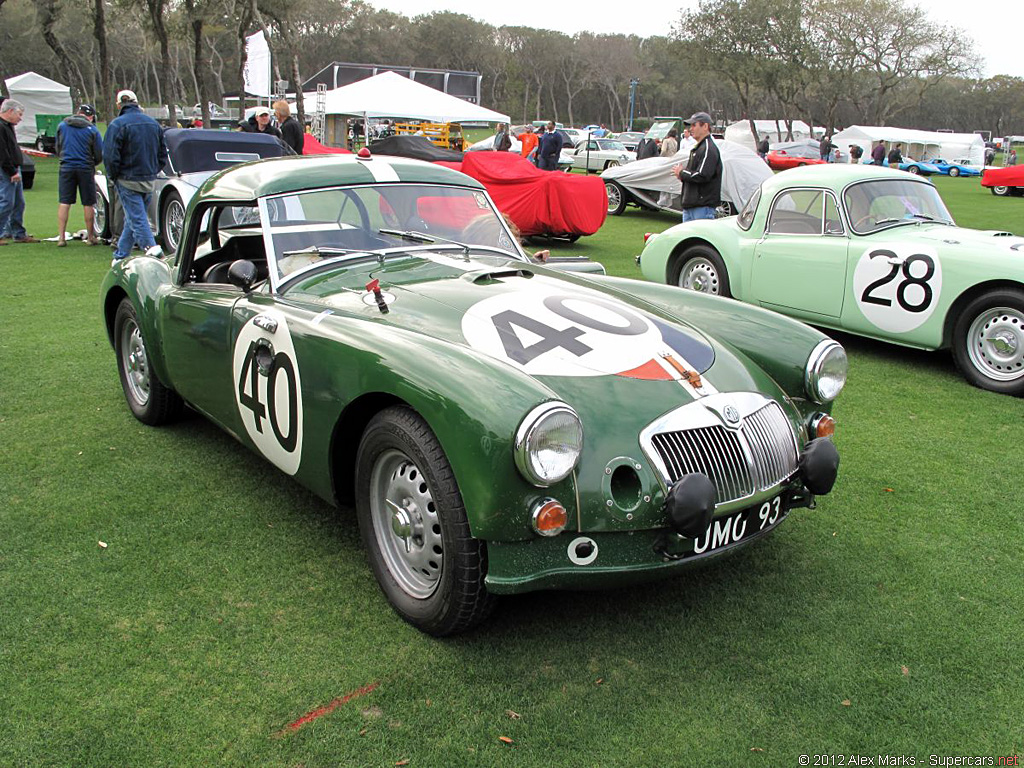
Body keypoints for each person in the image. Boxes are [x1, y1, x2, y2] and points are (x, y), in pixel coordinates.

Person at [103, 89, 167, 265]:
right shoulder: (154, 124)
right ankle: (120, 255)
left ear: (119, 105)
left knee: (137, 218)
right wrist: (153, 170)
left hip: (126, 178)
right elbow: (162, 155)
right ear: (136, 103)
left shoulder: (117, 125)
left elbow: (110, 155)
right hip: (148, 178)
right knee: (133, 217)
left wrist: (114, 175)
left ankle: (152, 249)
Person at [55, 104, 104, 247]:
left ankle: (61, 237)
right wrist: (94, 163)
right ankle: (90, 237)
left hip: (66, 166)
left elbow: (58, 147)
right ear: (90, 116)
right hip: (85, 167)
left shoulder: (62, 126)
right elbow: (98, 153)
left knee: (64, 202)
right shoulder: (92, 130)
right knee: (88, 202)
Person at [0, 99, 39, 245]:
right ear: (10, 111)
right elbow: (2, 153)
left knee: (18, 203)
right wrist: (11, 172)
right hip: (7, 170)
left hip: (14, 168)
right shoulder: (1, 127)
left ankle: (18, 232)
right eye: (19, 114)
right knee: (6, 202)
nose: (20, 118)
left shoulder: (8, 126)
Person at [672, 111, 722, 223]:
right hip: (690, 205)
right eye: (690, 126)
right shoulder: (698, 148)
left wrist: (682, 173)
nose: (691, 129)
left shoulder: (709, 148)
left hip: (702, 207)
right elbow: (694, 175)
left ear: (705, 126)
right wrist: (683, 176)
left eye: (694, 125)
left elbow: (702, 175)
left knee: (700, 240)